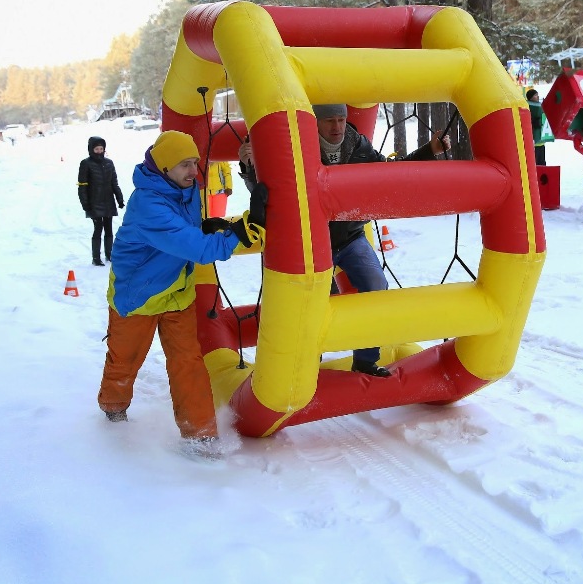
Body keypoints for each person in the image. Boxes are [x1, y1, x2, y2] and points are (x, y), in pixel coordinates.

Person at [239, 104, 450, 377]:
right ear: (315, 123)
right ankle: (306, 363)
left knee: (376, 285)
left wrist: (429, 151)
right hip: (311, 242)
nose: (337, 127)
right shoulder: (296, 147)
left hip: (350, 237)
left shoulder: (357, 145)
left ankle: (365, 359)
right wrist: (248, 168)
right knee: (311, 302)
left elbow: (391, 174)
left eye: (341, 119)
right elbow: (266, 192)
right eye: (329, 121)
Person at [97, 130, 267, 449]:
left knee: (188, 363)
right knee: (125, 360)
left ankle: (200, 434)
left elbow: (186, 231)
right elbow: (199, 250)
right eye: (184, 165)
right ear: (164, 168)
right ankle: (113, 407)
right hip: (139, 297)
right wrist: (244, 229)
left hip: (177, 293)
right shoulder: (147, 204)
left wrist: (208, 226)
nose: (193, 171)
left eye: (194, 163)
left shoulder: (185, 188)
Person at [78, 136, 125, 266]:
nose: (99, 151)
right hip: (94, 202)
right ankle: (96, 258)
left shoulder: (109, 163)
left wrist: (119, 198)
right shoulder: (86, 164)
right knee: (98, 229)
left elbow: (114, 183)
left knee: (109, 229)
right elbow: (82, 186)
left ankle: (109, 255)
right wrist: (85, 204)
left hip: (108, 201)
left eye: (101, 149)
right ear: (91, 150)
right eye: (96, 149)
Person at [526, 88, 545, 166]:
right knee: (534, 165)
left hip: (541, 142)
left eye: (537, 95)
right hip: (533, 144)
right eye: (535, 95)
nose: (537, 96)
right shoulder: (527, 107)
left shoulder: (540, 106)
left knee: (542, 164)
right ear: (530, 97)